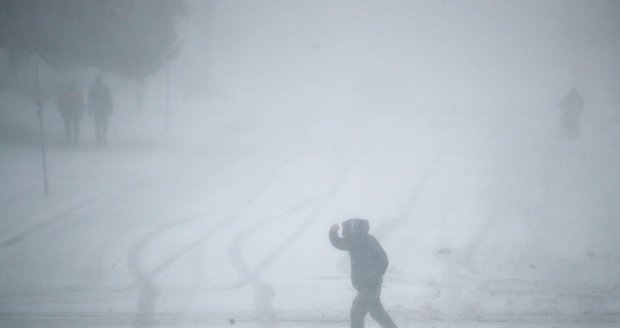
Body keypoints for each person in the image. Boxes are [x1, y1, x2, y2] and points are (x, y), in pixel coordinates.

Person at [329, 219, 398, 328]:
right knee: (377, 312)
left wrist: (374, 277)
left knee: (356, 313)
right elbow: (338, 243)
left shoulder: (362, 241)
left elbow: (383, 260)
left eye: (346, 230)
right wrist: (333, 231)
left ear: (353, 230)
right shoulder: (359, 241)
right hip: (368, 286)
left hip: (369, 286)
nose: (345, 234)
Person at [57, 81, 85, 146]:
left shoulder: (65, 93)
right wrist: (82, 110)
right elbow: (81, 102)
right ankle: (75, 139)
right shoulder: (78, 93)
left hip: (67, 111)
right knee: (75, 126)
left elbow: (61, 102)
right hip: (75, 111)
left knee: (68, 127)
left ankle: (69, 139)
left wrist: (61, 110)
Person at [88, 77, 113, 145]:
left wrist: (90, 109)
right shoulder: (105, 89)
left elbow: (90, 100)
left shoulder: (93, 89)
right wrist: (111, 108)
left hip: (96, 109)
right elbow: (109, 99)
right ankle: (103, 135)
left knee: (97, 124)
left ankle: (98, 137)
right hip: (104, 109)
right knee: (104, 124)